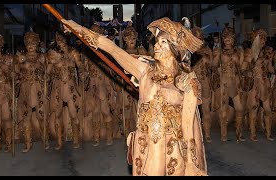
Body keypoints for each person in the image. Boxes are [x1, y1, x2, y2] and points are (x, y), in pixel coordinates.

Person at [60, 17, 207, 176]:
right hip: (147, 146)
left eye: (163, 42)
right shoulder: (145, 71)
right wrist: (77, 28)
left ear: (176, 47)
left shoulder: (187, 80)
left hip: (173, 150)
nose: (156, 45)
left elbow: (188, 126)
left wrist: (191, 163)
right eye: (157, 41)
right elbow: (111, 48)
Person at [15, 30, 49, 152]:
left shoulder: (42, 57)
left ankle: (44, 138)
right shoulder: (20, 57)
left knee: (41, 115)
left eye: (33, 43)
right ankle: (27, 142)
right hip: (25, 89)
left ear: (37, 44)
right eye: (28, 43)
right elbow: (16, 72)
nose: (30, 46)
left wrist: (45, 76)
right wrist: (15, 75)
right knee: (26, 116)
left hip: (38, 88)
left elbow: (47, 72)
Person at [212, 27, 245, 142]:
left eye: (229, 36)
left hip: (235, 83)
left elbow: (241, 68)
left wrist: (243, 60)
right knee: (223, 110)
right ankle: (224, 135)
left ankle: (238, 133)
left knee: (240, 109)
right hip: (224, 83)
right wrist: (215, 57)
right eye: (225, 37)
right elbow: (214, 66)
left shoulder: (238, 52)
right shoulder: (219, 51)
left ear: (233, 38)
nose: (227, 39)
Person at [242, 29, 275, 141]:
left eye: (265, 39)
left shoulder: (267, 52)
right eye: (261, 39)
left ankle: (268, 132)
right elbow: (243, 68)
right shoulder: (249, 52)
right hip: (254, 84)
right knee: (254, 108)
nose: (264, 41)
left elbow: (269, 68)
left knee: (268, 109)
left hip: (265, 84)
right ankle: (253, 133)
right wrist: (249, 72)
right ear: (255, 39)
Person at [191, 27, 213, 142]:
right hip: (192, 83)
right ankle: (193, 134)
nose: (198, 39)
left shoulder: (207, 50)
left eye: (200, 37)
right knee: (192, 110)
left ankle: (207, 133)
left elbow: (212, 65)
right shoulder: (188, 51)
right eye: (196, 37)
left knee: (206, 109)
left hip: (205, 82)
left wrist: (204, 55)